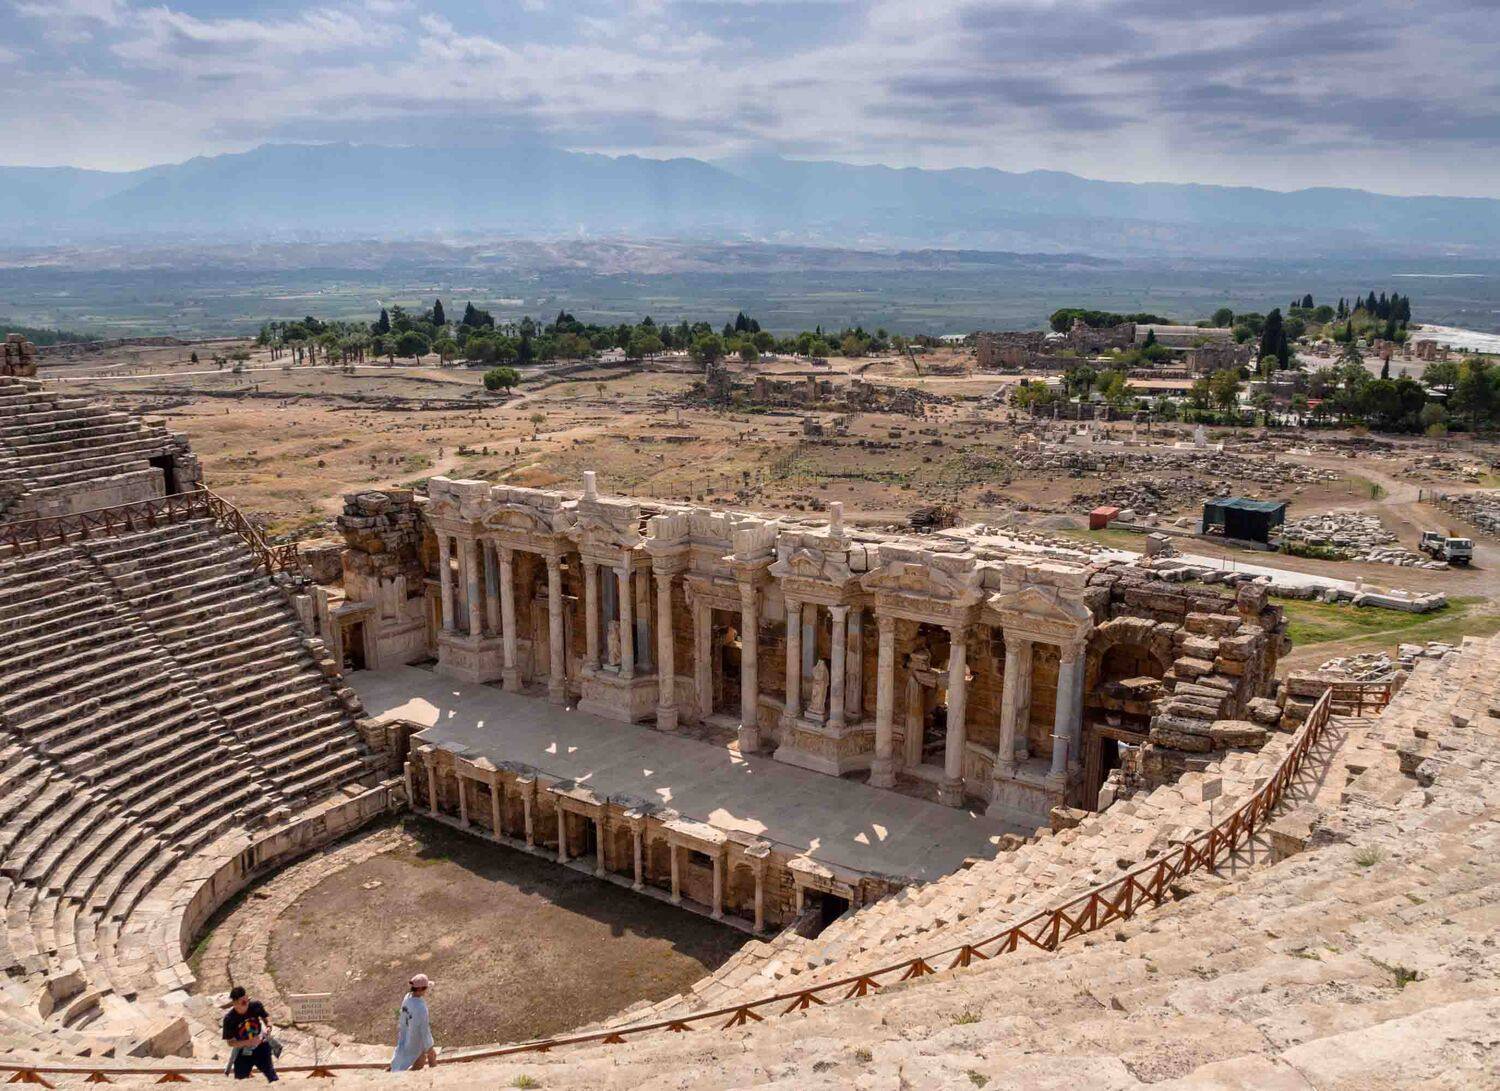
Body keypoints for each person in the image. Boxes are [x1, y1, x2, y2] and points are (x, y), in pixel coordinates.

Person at [222, 986, 279, 1082]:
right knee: (240, 1080)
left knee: (271, 1075)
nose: (247, 1004)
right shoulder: (229, 1019)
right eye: (243, 1002)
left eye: (247, 1000)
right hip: (243, 1051)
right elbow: (230, 1042)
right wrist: (248, 1042)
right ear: (235, 1003)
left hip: (261, 1046)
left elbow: (266, 1018)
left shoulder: (256, 1006)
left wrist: (268, 1027)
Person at [390, 973, 437, 1072]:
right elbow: (424, 1029)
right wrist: (429, 1046)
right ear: (420, 989)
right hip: (416, 1039)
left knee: (407, 1058)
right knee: (424, 1059)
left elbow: (403, 1016)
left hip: (407, 1035)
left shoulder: (407, 998)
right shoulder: (421, 1007)